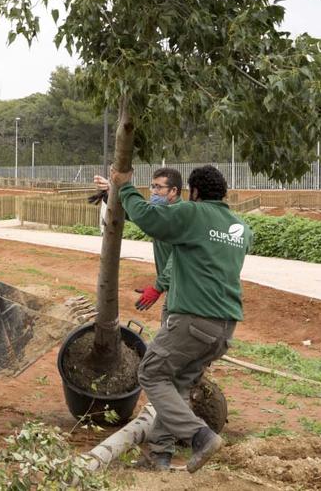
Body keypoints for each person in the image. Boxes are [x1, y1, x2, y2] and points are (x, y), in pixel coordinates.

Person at [110, 164, 251, 474]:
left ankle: (200, 436)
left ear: (194, 192)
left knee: (150, 373)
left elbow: (150, 219)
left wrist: (124, 187)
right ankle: (159, 455)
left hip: (193, 320)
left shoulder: (193, 213)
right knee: (176, 383)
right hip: (225, 327)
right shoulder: (240, 228)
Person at [93, 167, 183, 317]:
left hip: (183, 292)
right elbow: (135, 214)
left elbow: (179, 259)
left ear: (173, 191)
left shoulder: (176, 214)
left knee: (171, 335)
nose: (153, 191)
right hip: (174, 290)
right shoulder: (162, 211)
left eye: (159, 187)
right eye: (152, 186)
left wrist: (158, 287)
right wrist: (112, 191)